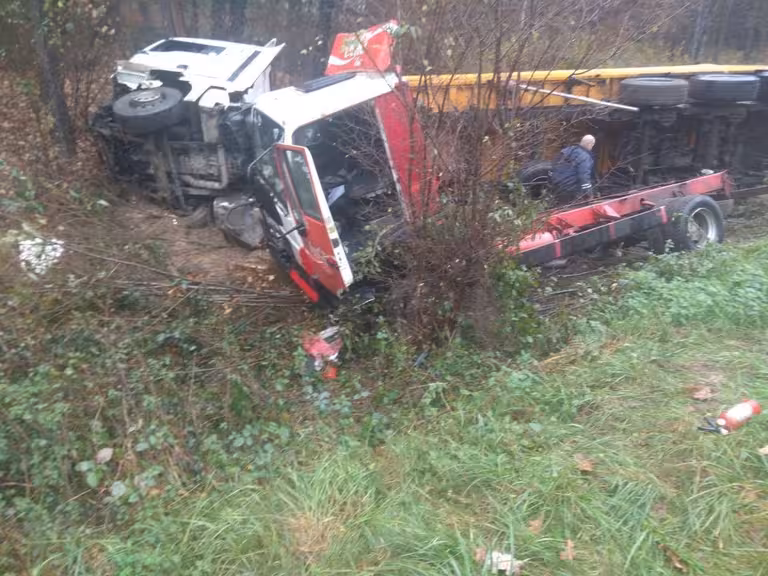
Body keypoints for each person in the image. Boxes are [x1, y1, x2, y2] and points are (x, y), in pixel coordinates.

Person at [549, 134, 596, 202]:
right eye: (592, 145)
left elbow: (553, 166)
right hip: (570, 190)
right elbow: (583, 177)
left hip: (556, 186)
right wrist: (589, 194)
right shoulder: (585, 157)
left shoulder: (566, 150)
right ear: (590, 144)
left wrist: (550, 183)